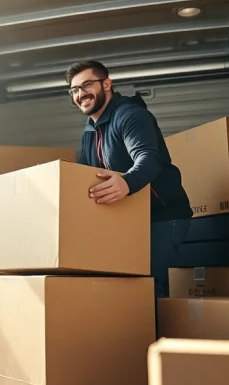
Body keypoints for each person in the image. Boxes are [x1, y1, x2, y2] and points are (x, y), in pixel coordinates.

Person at [65, 60, 192, 299]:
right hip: (129, 218)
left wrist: (126, 183)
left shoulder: (130, 115)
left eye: (86, 85)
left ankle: (159, 338)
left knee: (149, 284)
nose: (80, 94)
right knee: (123, 286)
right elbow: (82, 174)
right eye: (74, 90)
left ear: (106, 84)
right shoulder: (90, 131)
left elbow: (148, 159)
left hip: (164, 216)